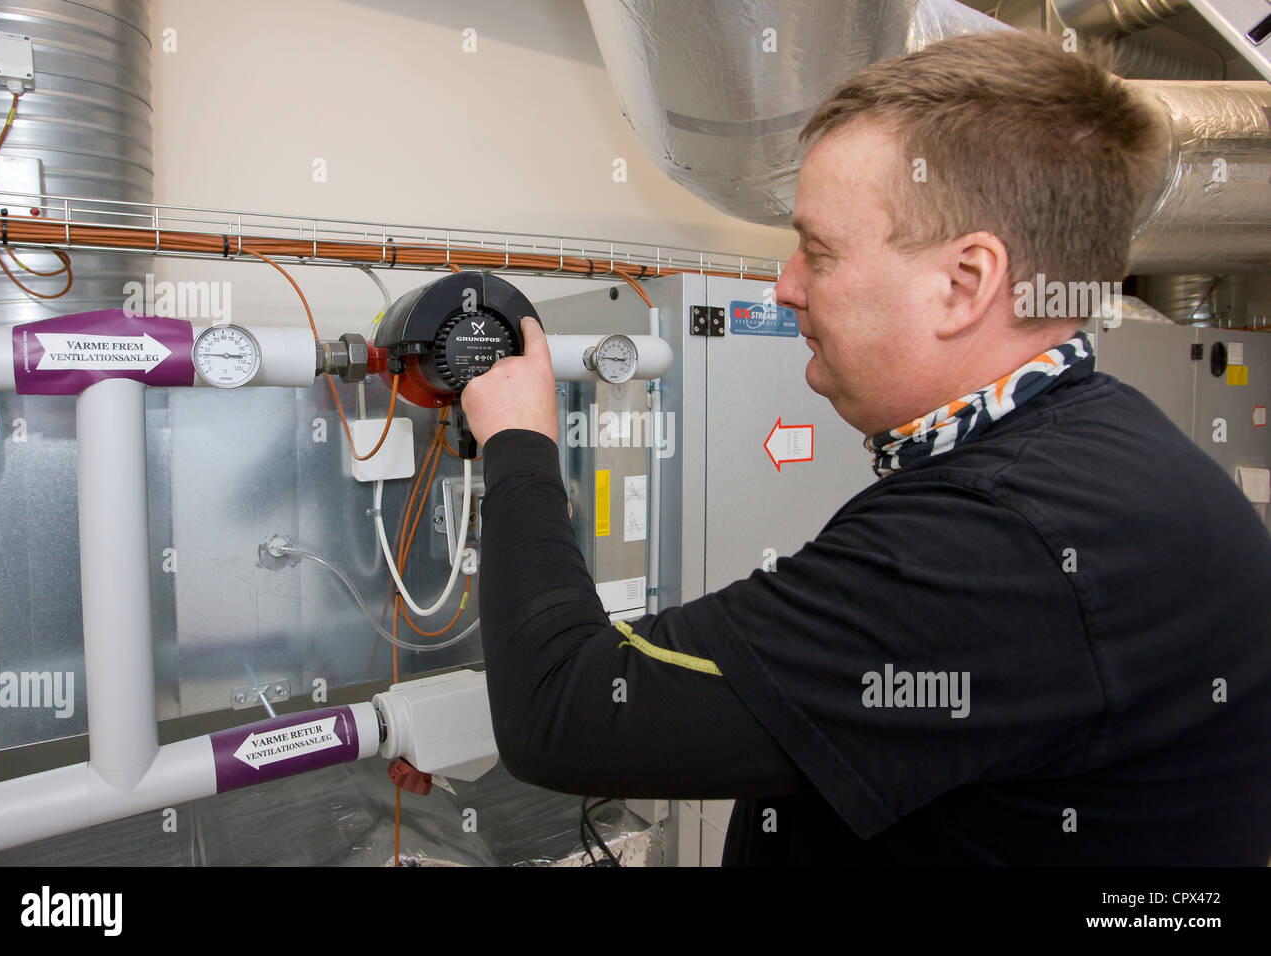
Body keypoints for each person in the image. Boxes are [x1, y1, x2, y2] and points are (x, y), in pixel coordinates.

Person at [458, 30, 1271, 865]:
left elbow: (562, 709)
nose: (785, 286)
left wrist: (518, 443)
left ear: (964, 284)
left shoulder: (993, 542)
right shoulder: (1112, 448)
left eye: (819, 249)